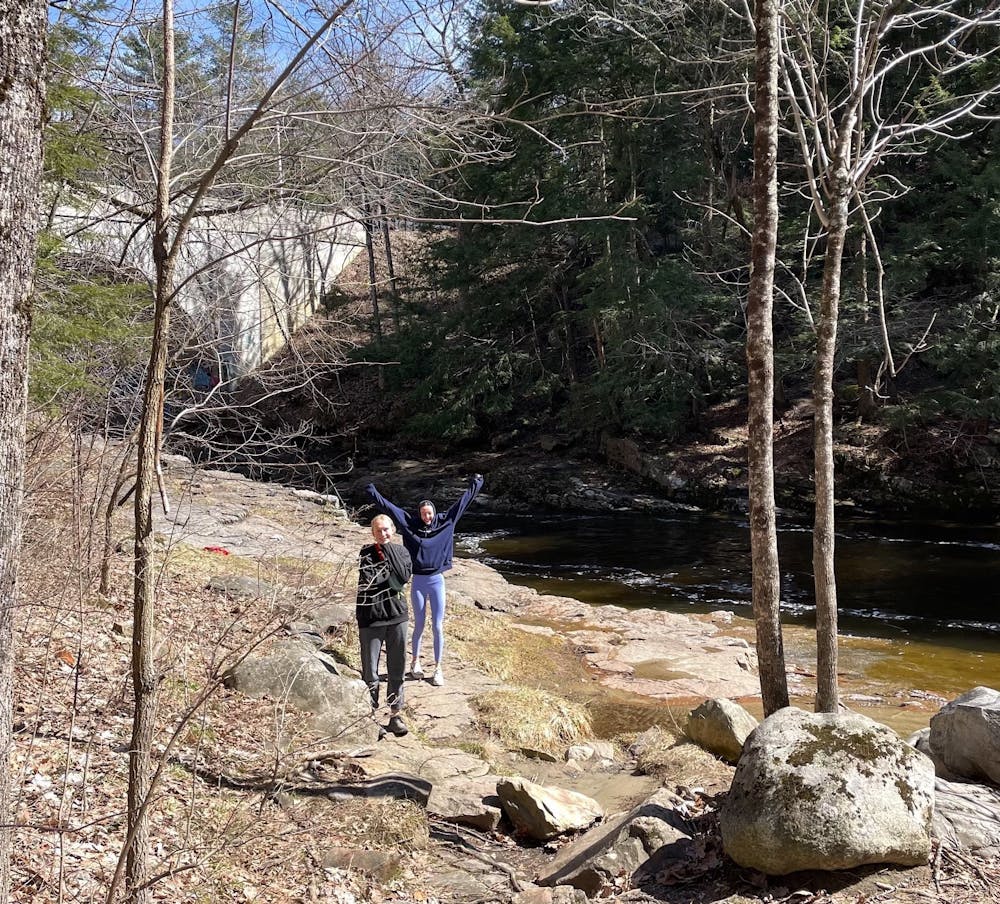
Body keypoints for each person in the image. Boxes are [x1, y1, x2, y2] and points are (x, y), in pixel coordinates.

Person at [366, 474, 484, 687]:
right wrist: (372, 491)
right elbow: (390, 509)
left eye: (429, 513)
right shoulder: (410, 525)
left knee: (438, 626)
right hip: (418, 581)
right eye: (423, 514)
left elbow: (462, 503)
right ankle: (415, 663)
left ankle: (438, 668)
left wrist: (476, 483)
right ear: (419, 514)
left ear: (434, 513)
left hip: (437, 581)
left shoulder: (446, 521)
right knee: (419, 624)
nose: (427, 517)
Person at [356, 514, 413, 737]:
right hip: (371, 617)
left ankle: (395, 715)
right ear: (373, 533)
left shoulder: (402, 551)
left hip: (397, 616)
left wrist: (388, 571)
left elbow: (403, 575)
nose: (384, 534)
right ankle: (369, 716)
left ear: (393, 529)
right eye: (379, 531)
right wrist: (390, 574)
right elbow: (369, 581)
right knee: (370, 670)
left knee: (397, 668)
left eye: (387, 529)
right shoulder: (365, 553)